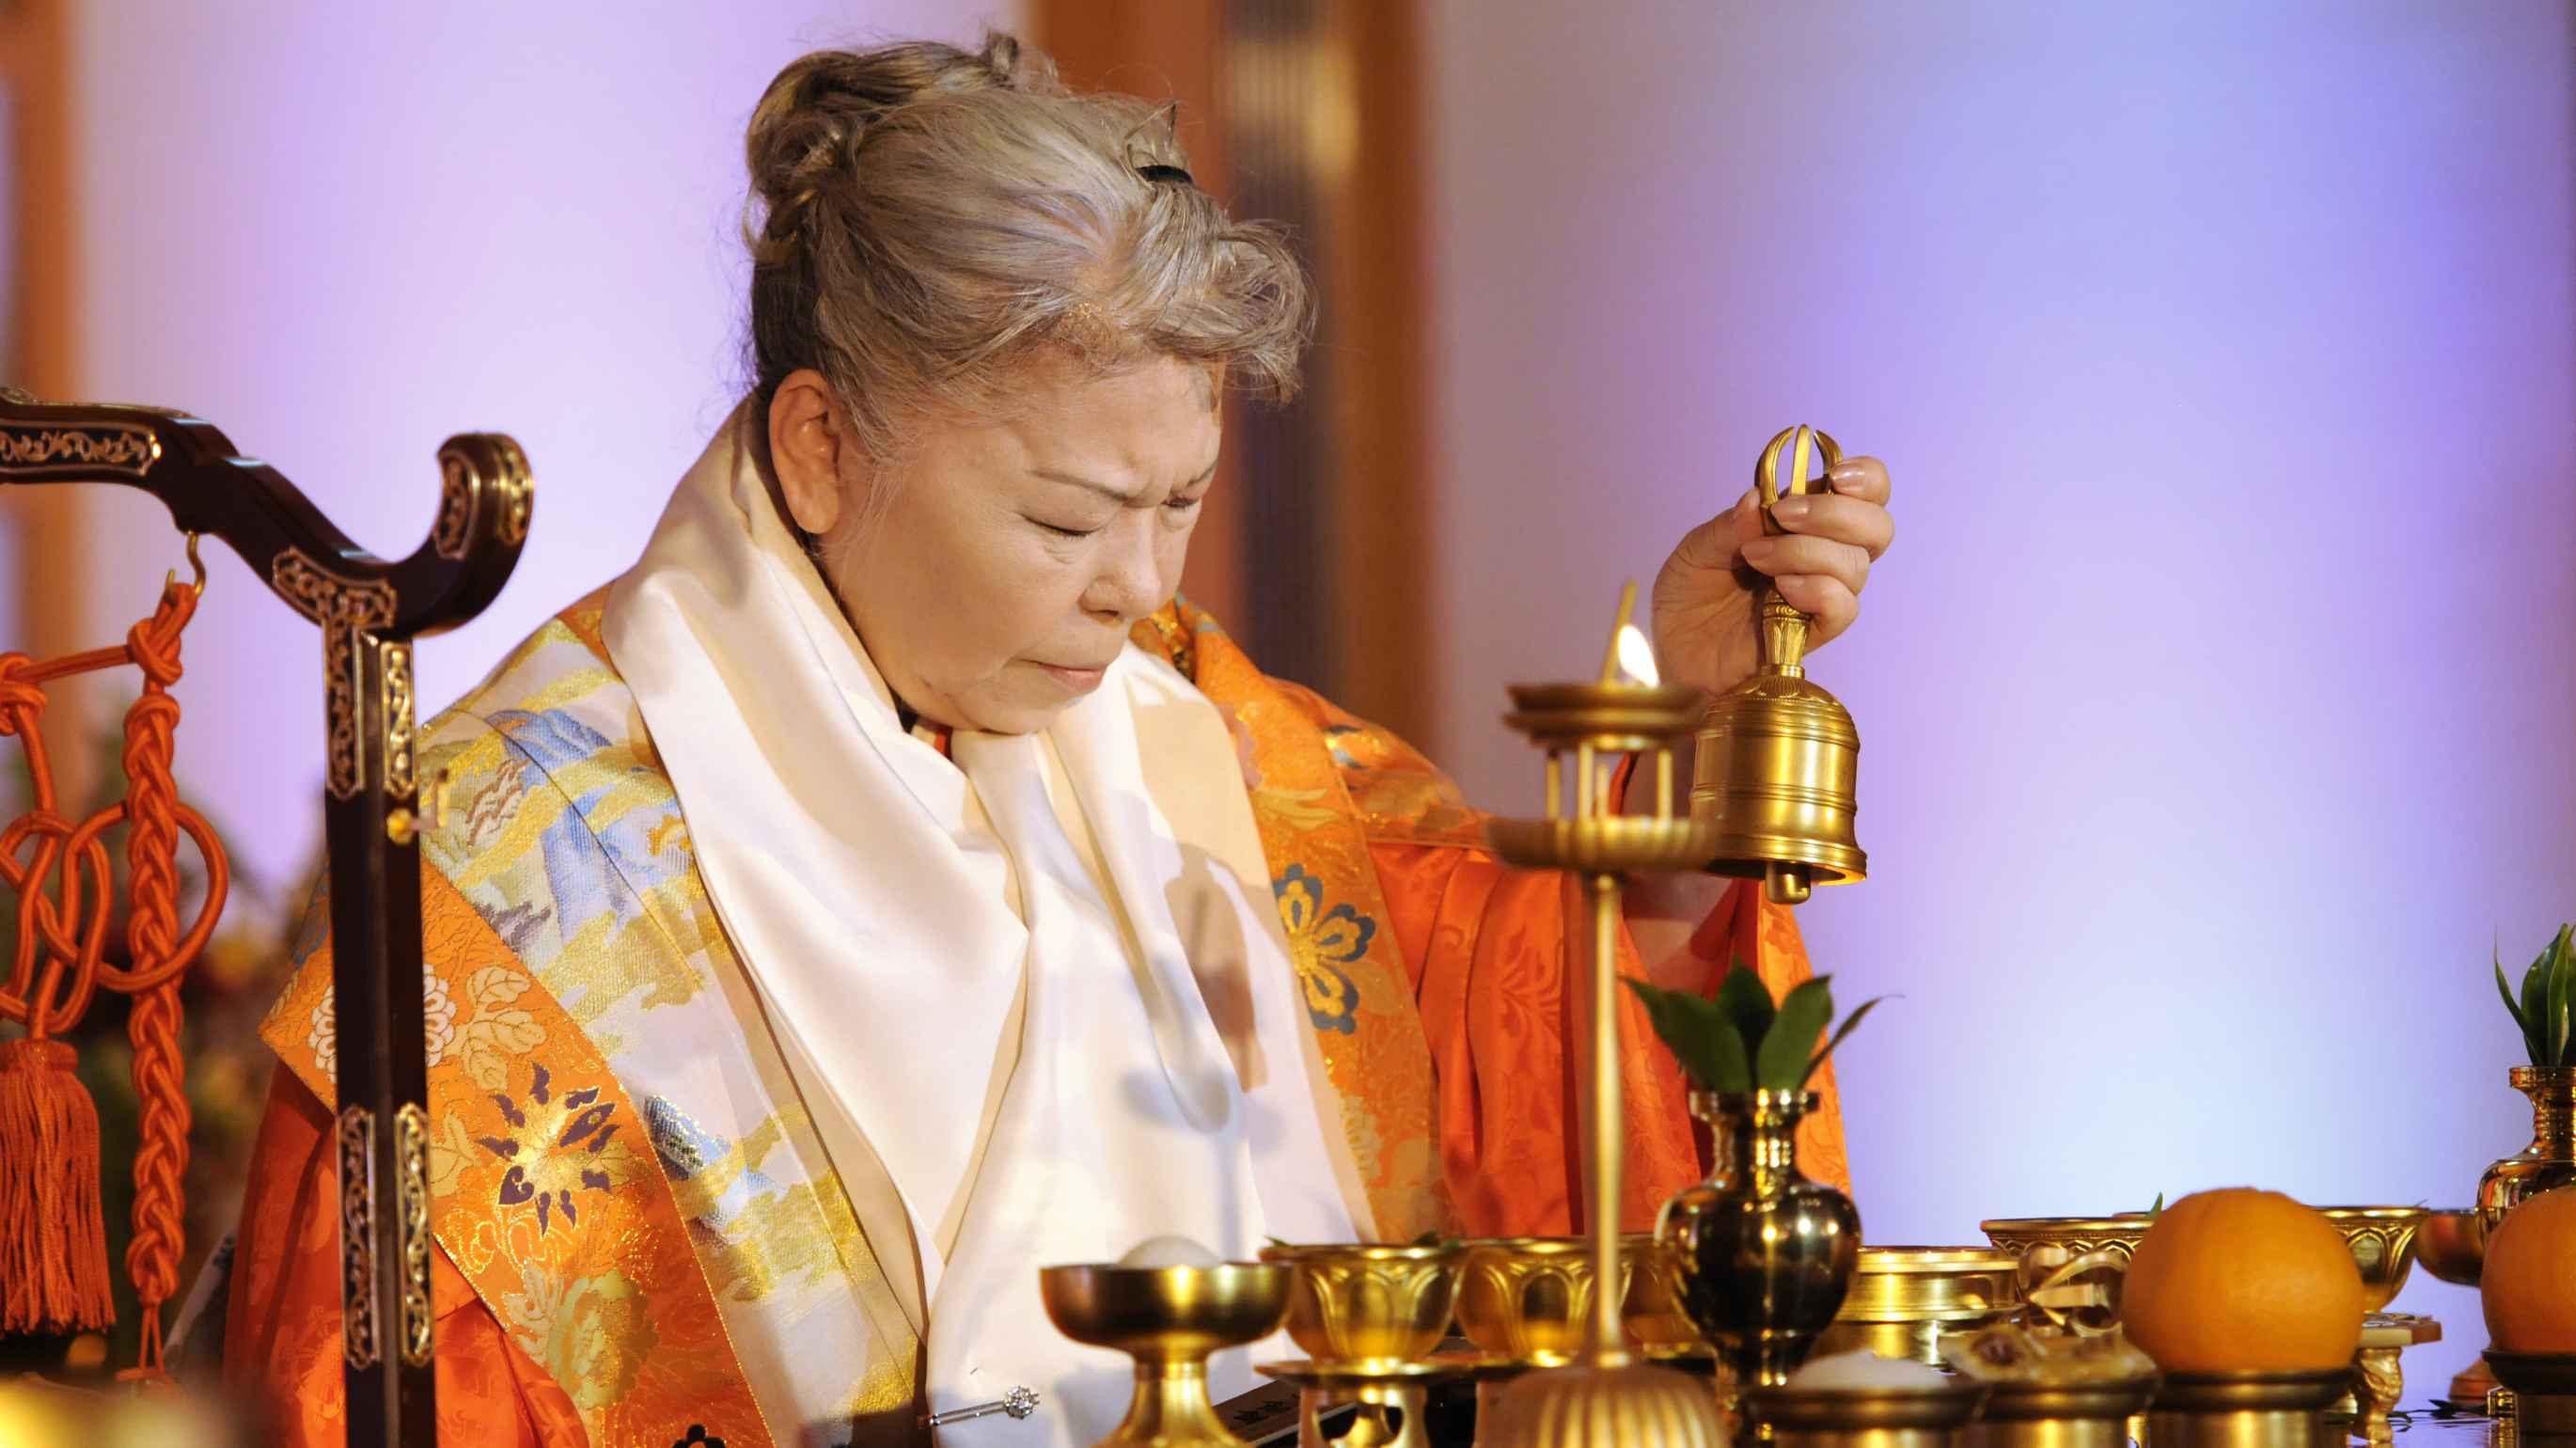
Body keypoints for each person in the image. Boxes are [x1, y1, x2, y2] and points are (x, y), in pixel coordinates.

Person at [222, 32, 1894, 1448]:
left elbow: (1498, 1041)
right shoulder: (504, 889)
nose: (1140, 592)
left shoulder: (1194, 737)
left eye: (1178, 506)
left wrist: (1682, 732)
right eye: (1070, 518)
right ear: (818, 450)